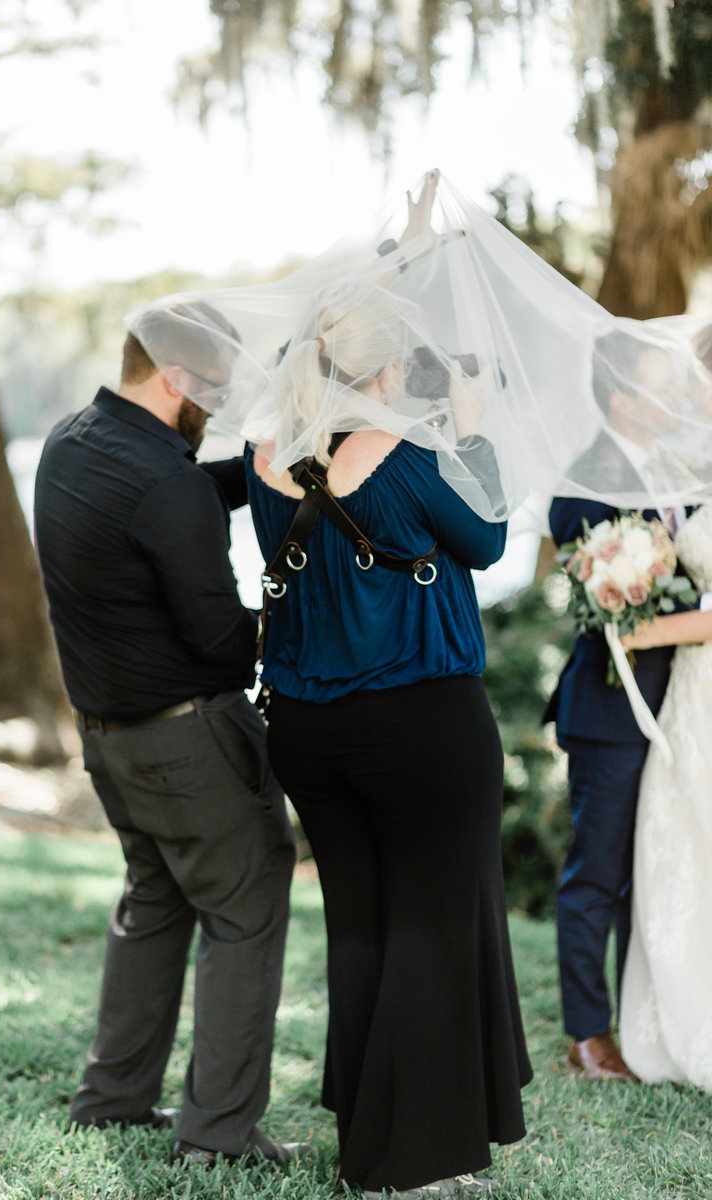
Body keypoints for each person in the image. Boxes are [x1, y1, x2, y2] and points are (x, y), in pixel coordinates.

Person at [244, 266, 532, 1197]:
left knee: (364, 924)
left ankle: (380, 1137)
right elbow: (486, 539)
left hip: (307, 732)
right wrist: (476, 422)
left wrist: (401, 251)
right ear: (383, 372)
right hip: (419, 721)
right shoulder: (404, 452)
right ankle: (414, 1164)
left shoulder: (264, 455)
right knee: (435, 927)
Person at [32, 303, 302, 1166]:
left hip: (109, 741)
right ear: (175, 378)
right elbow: (222, 641)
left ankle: (112, 1102)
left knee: (153, 907)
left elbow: (174, 492)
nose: (220, 403)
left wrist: (253, 473)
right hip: (190, 743)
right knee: (246, 908)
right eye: (214, 388)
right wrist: (286, 615)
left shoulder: (69, 443)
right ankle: (217, 1139)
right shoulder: (166, 484)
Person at [544, 328, 692, 1083]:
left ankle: (648, 1019)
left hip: (681, 704)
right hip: (612, 707)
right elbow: (602, 605)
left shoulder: (676, 467)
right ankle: (587, 1034)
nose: (676, 397)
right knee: (597, 873)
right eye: (662, 385)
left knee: (657, 868)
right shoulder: (586, 481)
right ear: (622, 397)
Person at [616, 505, 712, 1088]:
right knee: (678, 844)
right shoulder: (691, 471)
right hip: (690, 690)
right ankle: (684, 1007)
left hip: (695, 666)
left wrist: (641, 629)